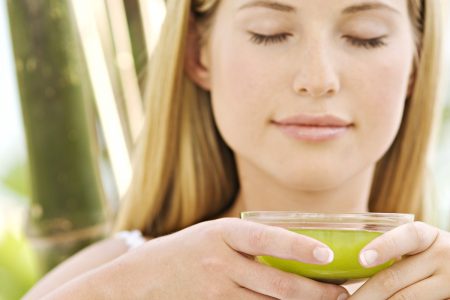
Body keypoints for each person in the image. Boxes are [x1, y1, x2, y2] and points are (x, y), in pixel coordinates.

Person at [25, 0, 449, 299]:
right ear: (198, 52)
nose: (318, 78)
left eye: (365, 37)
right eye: (271, 33)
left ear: (417, 59)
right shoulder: (117, 279)